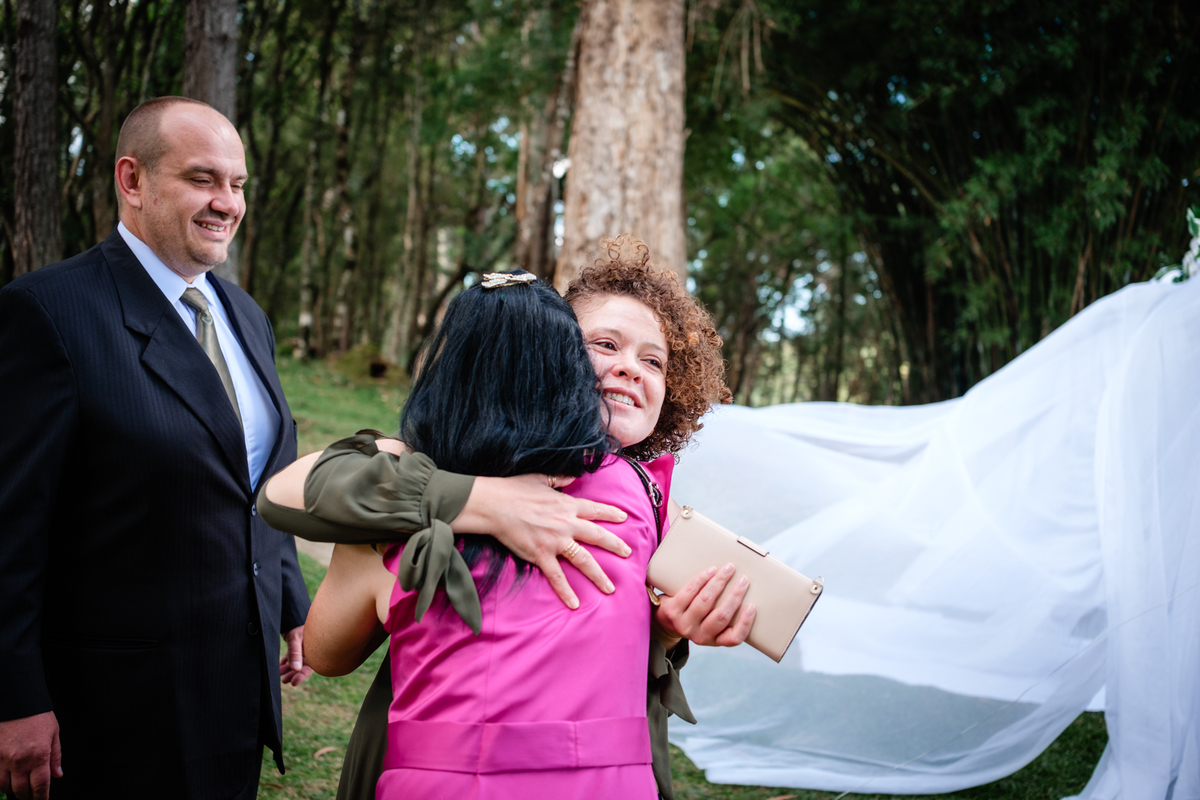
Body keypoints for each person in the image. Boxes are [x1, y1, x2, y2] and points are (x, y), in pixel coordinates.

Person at [261, 238, 749, 798]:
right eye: (604, 344)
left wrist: (664, 628)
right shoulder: (415, 476)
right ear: (550, 354)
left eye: (654, 360)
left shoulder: (653, 509)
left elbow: (329, 651)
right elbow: (288, 493)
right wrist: (485, 501)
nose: (628, 369)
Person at [0, 97, 311, 800]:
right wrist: (15, 696)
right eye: (203, 179)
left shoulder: (243, 314)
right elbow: (10, 528)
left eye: (237, 184)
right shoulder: (49, 312)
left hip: (235, 691)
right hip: (117, 707)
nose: (226, 203)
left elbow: (257, 474)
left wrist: (289, 598)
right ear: (132, 180)